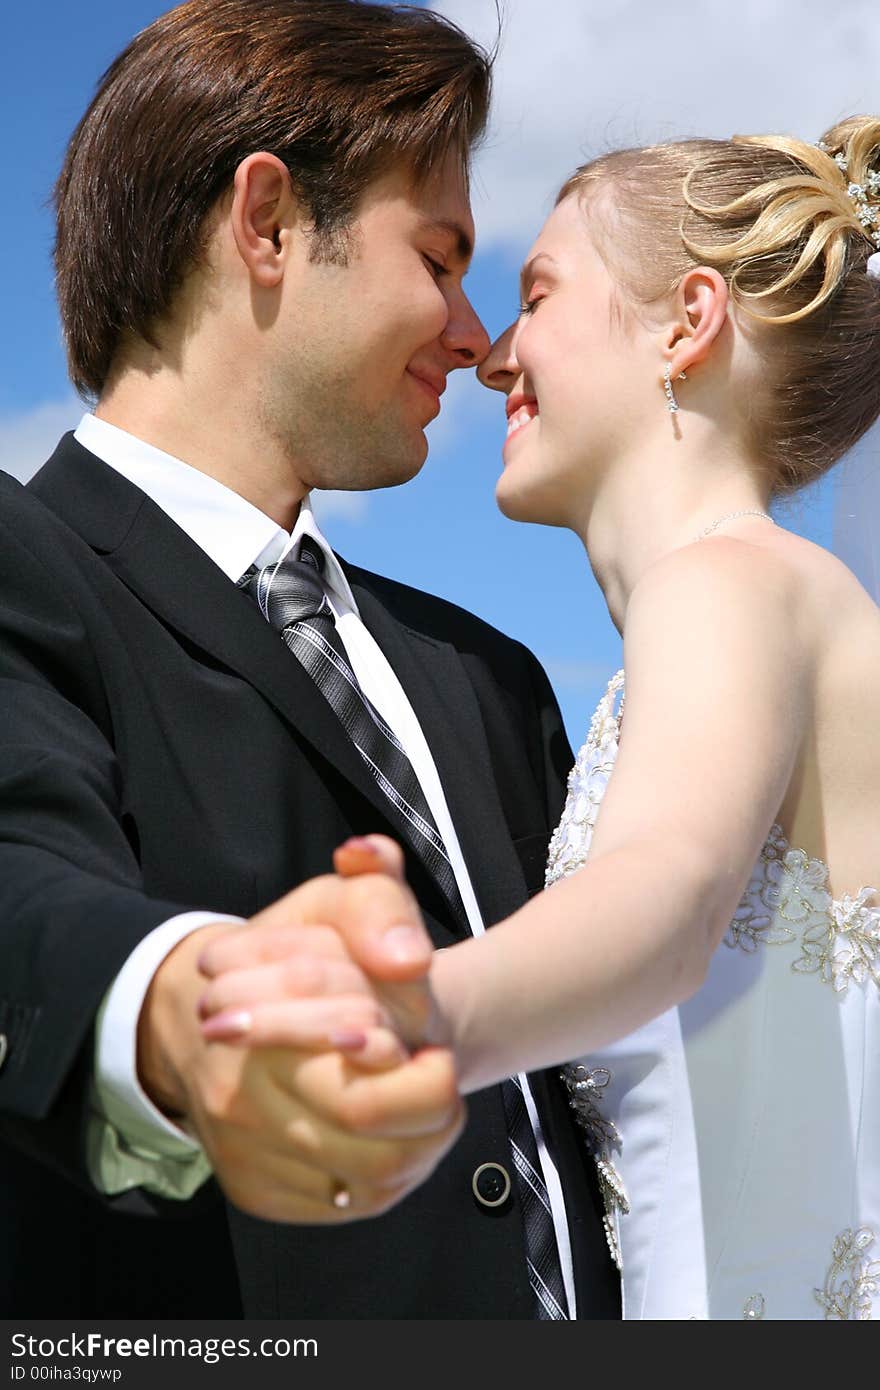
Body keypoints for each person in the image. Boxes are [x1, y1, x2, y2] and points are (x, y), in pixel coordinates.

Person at [198, 118, 880, 1319]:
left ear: (688, 322)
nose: (493, 352)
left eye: (535, 292)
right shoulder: (736, 610)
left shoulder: (728, 583)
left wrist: (410, 1022)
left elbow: (666, 897)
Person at [0, 0, 621, 1319]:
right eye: (441, 257)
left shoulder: (491, 673)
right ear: (269, 223)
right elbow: (22, 880)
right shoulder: (24, 562)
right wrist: (182, 1010)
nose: (474, 332)